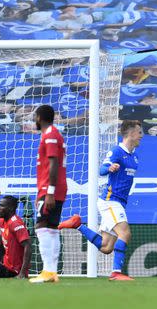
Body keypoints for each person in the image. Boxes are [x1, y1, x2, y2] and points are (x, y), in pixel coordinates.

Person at [59, 120, 142, 281]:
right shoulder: (117, 151)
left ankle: (78, 224)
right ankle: (116, 273)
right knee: (125, 233)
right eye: (139, 132)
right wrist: (109, 168)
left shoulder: (135, 156)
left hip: (119, 203)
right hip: (111, 201)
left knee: (106, 247)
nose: (142, 136)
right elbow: (102, 169)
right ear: (130, 134)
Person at [29, 105, 67, 284]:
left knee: (42, 226)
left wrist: (49, 192)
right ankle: (52, 272)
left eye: (35, 116)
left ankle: (48, 270)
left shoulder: (51, 134)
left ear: (39, 118)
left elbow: (54, 163)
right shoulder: (52, 134)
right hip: (51, 189)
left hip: (51, 189)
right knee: (51, 228)